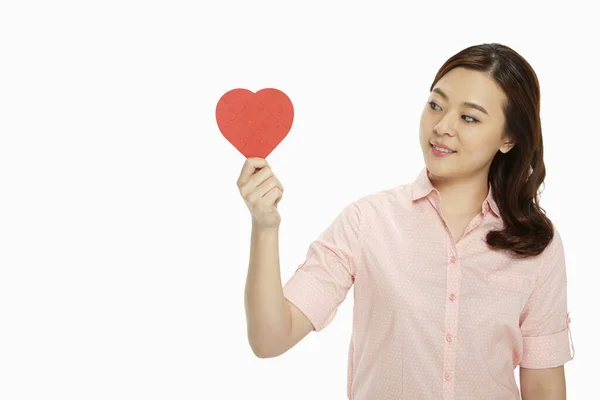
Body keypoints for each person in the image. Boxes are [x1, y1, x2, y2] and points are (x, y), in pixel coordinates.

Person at [238, 43, 575, 399]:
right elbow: (270, 338)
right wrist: (265, 225)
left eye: (469, 117)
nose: (442, 126)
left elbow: (543, 387)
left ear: (508, 138)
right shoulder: (368, 222)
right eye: (435, 105)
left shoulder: (536, 244)